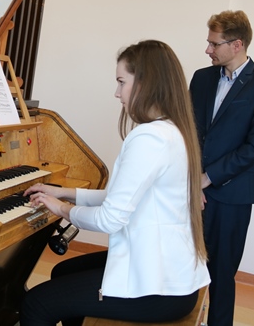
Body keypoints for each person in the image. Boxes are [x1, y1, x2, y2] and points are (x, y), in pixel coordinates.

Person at [20, 40, 210, 326]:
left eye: (122, 82)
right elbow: (122, 197)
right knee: (62, 273)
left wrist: (60, 208)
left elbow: (109, 219)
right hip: (171, 275)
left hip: (160, 290)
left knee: (36, 304)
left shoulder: (150, 138)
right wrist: (64, 193)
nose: (117, 93)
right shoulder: (172, 130)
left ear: (145, 83)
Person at [189, 10, 254, 326]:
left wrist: (208, 178)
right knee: (181, 266)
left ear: (237, 44)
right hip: (191, 190)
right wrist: (192, 180)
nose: (208, 50)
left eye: (214, 44)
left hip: (231, 197)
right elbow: (188, 131)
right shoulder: (201, 78)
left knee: (221, 275)